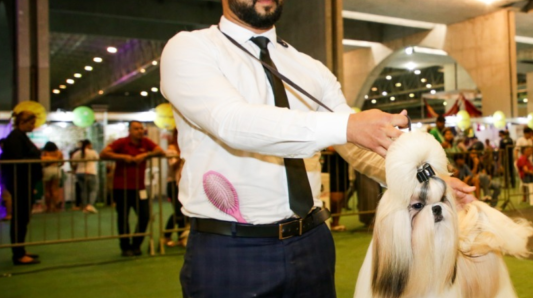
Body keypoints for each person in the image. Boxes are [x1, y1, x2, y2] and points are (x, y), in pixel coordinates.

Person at [159, 1, 477, 296]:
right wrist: (347, 126)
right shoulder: (190, 48)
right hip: (229, 250)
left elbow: (357, 146)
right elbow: (231, 122)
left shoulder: (309, 67)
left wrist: (428, 183)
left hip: (313, 243)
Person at [100, 121, 165, 257]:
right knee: (123, 218)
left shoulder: (146, 143)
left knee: (145, 216)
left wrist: (145, 155)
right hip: (121, 188)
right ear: (129, 130)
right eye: (136, 128)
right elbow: (104, 154)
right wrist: (123, 157)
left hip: (139, 188)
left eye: (141, 128)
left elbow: (160, 151)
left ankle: (136, 244)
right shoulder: (121, 142)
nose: (140, 131)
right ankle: (125, 247)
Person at [0, 111, 43, 265]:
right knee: (20, 218)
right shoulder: (16, 137)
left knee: (23, 218)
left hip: (24, 182)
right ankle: (18, 254)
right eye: (31, 123)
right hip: (19, 182)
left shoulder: (20, 136)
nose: (33, 126)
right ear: (22, 122)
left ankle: (21, 249)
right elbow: (18, 159)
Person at [164, 130, 187, 246]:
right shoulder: (172, 148)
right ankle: (165, 236)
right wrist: (183, 156)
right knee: (178, 212)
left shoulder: (186, 146)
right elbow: (173, 166)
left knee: (184, 212)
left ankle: (181, 238)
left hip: (183, 183)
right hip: (173, 183)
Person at [70, 140, 99, 214]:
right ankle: (90, 205)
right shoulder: (92, 152)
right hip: (91, 172)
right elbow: (98, 158)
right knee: (93, 190)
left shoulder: (77, 153)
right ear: (89, 145)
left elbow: (73, 163)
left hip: (79, 173)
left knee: (83, 190)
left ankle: (85, 207)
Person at [40, 142, 64, 212]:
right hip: (56, 169)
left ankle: (48, 207)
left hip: (47, 170)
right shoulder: (59, 153)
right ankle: (56, 207)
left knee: (47, 189)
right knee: (55, 189)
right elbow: (62, 163)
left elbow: (42, 162)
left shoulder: (44, 153)